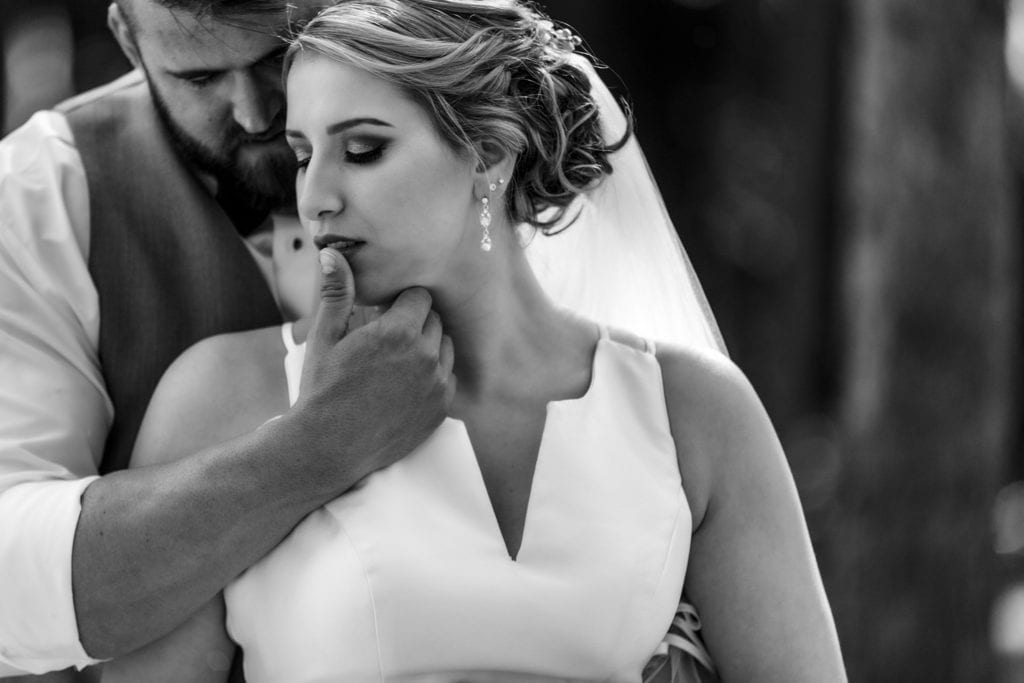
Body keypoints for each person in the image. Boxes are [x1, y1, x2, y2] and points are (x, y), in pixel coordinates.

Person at [100, 1, 848, 681]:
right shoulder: (224, 396)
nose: (315, 196)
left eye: (361, 150)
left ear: (489, 155)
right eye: (303, 153)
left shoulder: (693, 413)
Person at [0, 0, 455, 679]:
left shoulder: (480, 146)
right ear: (126, 36)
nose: (253, 113)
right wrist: (319, 444)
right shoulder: (36, 196)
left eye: (279, 56)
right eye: (199, 78)